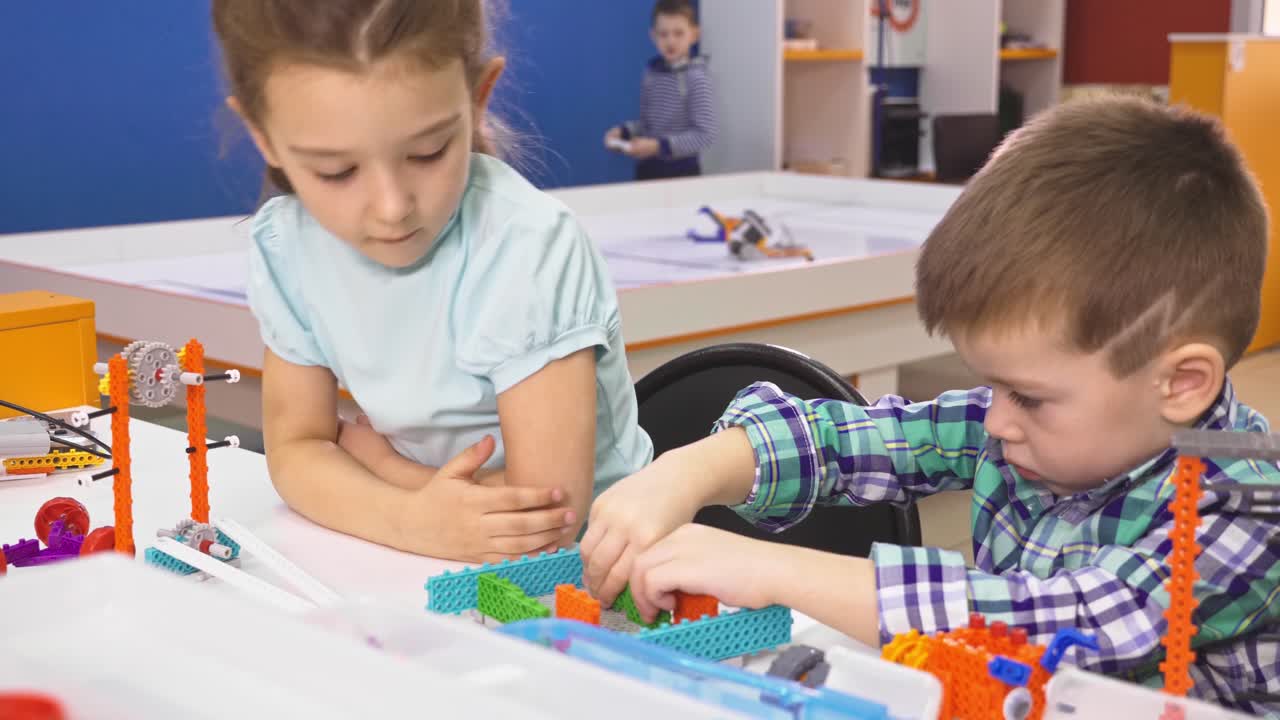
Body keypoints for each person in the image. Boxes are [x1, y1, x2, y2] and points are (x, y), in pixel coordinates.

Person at [580, 97, 1279, 715]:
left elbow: (1068, 620)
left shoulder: (1245, 512)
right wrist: (693, 469)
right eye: (994, 386)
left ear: (1181, 384)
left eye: (1029, 397)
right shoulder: (1019, 426)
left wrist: (765, 569)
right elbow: (858, 438)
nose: (997, 420)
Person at [211, 0, 652, 563]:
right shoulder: (287, 245)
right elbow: (295, 452)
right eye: (336, 171)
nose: (392, 209)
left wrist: (383, 470)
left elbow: (546, 516)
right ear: (263, 136)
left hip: (599, 565)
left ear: (477, 97)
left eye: (428, 152)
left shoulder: (526, 247)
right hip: (423, 560)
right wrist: (413, 521)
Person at [604, 0, 718, 181]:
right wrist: (624, 132)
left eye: (678, 33)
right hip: (648, 170)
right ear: (653, 36)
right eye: (663, 34)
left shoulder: (696, 78)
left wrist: (659, 146)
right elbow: (648, 125)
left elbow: (705, 134)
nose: (670, 41)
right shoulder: (651, 74)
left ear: (694, 35)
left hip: (682, 172)